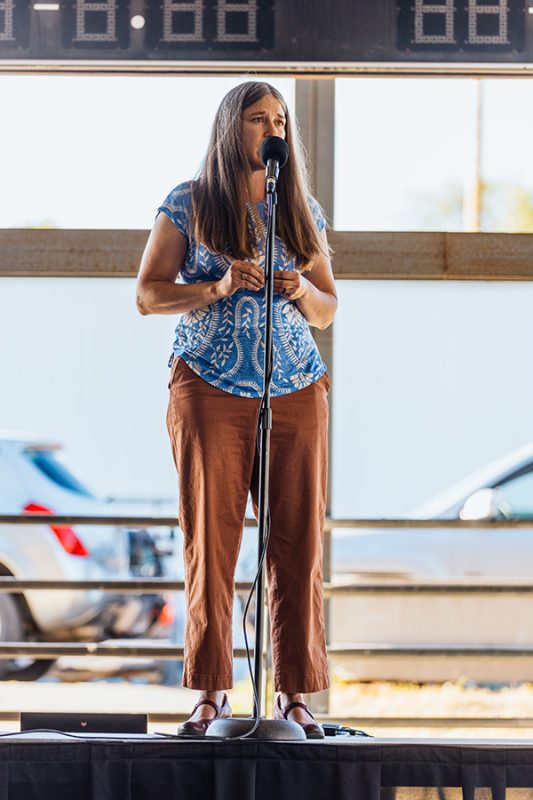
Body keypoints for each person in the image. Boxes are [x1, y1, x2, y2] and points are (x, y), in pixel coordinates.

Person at [136, 81, 337, 738]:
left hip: (295, 384)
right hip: (209, 384)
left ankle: (295, 695)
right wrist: (216, 285)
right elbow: (146, 295)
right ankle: (211, 693)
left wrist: (301, 290)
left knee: (297, 543)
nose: (271, 128)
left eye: (279, 119)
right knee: (211, 541)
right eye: (258, 119)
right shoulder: (189, 203)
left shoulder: (300, 208)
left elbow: (329, 307)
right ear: (232, 129)